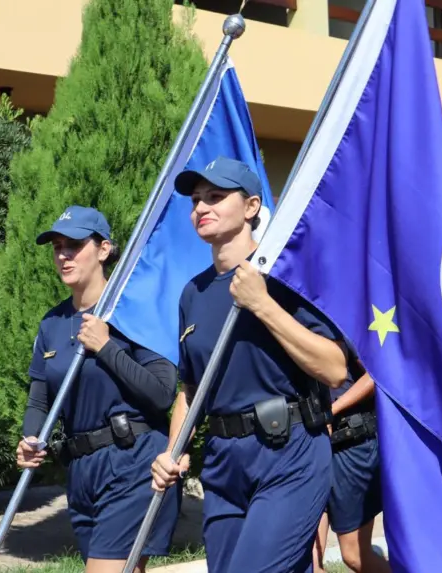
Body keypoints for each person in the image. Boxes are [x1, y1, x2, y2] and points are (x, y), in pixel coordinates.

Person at [148, 157, 348, 573]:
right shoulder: (194, 293)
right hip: (223, 463)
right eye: (196, 200)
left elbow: (333, 369)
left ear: (252, 207)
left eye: (216, 197)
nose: (201, 208)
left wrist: (262, 304)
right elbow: (191, 389)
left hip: (287, 452)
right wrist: (173, 451)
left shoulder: (287, 275)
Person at [17, 205, 181, 573]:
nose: (63, 255)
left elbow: (161, 394)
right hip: (81, 470)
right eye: (57, 246)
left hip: (132, 461)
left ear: (104, 249)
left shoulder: (135, 314)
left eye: (74, 245)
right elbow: (40, 398)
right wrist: (31, 439)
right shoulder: (53, 322)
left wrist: (105, 347)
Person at [312, 361, 389, 573]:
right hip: (311, 447)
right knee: (309, 563)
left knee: (354, 555)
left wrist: (332, 411)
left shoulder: (345, 327)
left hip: (350, 443)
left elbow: (376, 374)